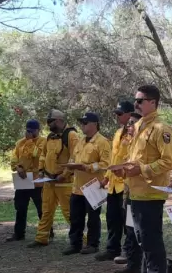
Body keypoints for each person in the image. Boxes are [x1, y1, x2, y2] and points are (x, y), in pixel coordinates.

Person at [110, 85, 172, 273]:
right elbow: (134, 157)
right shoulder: (137, 126)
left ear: (153, 102)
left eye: (140, 101)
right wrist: (123, 169)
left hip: (151, 194)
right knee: (142, 240)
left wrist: (142, 170)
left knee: (151, 239)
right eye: (135, 100)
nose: (136, 104)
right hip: (135, 191)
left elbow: (168, 161)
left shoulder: (161, 128)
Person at [64, 112, 111, 255]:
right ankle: (75, 244)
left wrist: (88, 167)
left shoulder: (102, 142)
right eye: (81, 123)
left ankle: (92, 244)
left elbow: (105, 164)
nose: (82, 125)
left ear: (95, 124)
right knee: (75, 217)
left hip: (94, 186)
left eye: (85, 123)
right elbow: (73, 158)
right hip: (77, 186)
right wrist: (70, 166)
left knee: (93, 218)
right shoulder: (80, 141)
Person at [29, 109, 78, 248]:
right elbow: (43, 155)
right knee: (46, 210)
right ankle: (41, 238)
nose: (48, 125)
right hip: (49, 181)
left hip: (65, 182)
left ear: (58, 120)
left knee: (69, 212)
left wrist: (65, 174)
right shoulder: (50, 137)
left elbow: (75, 157)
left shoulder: (72, 135)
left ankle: (81, 240)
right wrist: (40, 170)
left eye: (50, 122)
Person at [94, 101, 136, 262]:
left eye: (120, 113)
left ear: (130, 114)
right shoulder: (118, 132)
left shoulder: (135, 133)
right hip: (113, 184)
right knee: (112, 219)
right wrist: (106, 177)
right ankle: (112, 248)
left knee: (128, 222)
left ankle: (128, 251)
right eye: (116, 113)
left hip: (125, 184)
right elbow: (114, 157)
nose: (117, 117)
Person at [7, 119, 46, 242]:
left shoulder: (43, 142)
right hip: (22, 179)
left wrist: (29, 141)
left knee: (41, 208)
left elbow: (35, 154)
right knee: (20, 207)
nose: (29, 132)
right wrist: (18, 167)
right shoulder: (20, 143)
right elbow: (14, 158)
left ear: (37, 130)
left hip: (36, 180)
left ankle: (46, 232)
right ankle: (19, 234)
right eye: (27, 129)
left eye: (32, 130)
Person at [115, 114, 143, 273]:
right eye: (128, 124)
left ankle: (139, 268)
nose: (128, 127)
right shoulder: (131, 145)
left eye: (132, 123)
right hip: (129, 192)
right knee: (130, 229)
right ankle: (132, 264)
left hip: (143, 195)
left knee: (139, 233)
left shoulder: (143, 146)